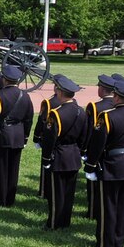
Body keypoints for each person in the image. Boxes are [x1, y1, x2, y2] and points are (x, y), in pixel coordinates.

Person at [84, 80, 124, 247]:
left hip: (113, 165)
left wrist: (90, 165)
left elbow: (98, 144)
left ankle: (106, 243)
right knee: (123, 207)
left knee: (108, 206)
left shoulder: (107, 116)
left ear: (117, 98)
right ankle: (119, 242)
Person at [41, 75, 86, 230]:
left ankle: (53, 223)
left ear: (60, 92)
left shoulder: (56, 114)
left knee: (56, 194)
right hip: (74, 155)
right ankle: (65, 222)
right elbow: (84, 136)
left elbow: (50, 139)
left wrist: (46, 158)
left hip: (59, 156)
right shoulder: (81, 111)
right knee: (68, 193)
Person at [0, 65, 34, 207]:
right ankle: (10, 200)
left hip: (2, 136)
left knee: (0, 170)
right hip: (18, 135)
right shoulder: (25, 95)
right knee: (13, 170)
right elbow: (29, 119)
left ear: (4, 79)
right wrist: (25, 137)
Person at [83, 75, 116, 219]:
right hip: (114, 151)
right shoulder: (117, 105)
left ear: (102, 90)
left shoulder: (95, 107)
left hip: (97, 149)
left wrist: (84, 150)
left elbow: (88, 131)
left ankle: (93, 212)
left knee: (93, 185)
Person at [32, 82, 62, 198]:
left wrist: (37, 138)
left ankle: (44, 191)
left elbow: (42, 121)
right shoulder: (73, 103)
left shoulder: (49, 103)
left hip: (49, 138)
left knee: (46, 165)